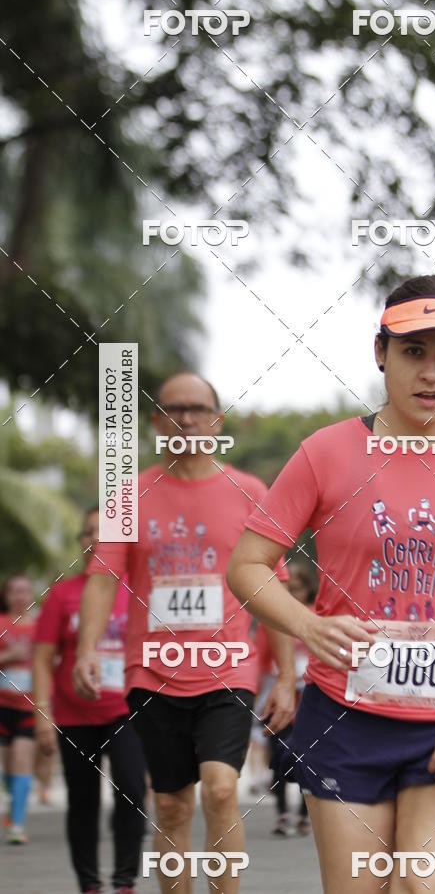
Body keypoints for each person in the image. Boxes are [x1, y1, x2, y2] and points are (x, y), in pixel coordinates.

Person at [227, 275, 435, 893]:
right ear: (381, 353)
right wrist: (309, 626)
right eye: (414, 352)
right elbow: (245, 565)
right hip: (345, 717)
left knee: (423, 887)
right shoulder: (328, 453)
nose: (432, 374)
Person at [73, 373, 296, 894]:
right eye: (174, 409)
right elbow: (102, 581)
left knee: (221, 790)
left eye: (198, 409)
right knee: (172, 804)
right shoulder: (129, 495)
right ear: (156, 422)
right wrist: (86, 649)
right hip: (152, 671)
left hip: (230, 668)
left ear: (218, 420)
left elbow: (272, 589)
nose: (187, 418)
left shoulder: (250, 492)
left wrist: (286, 674)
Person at [34, 506, 146, 894]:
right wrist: (43, 715)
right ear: (80, 542)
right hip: (74, 715)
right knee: (83, 802)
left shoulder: (135, 589)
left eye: (103, 532)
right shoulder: (62, 595)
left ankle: (124, 881)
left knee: (132, 791)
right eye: (87, 533)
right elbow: (43, 659)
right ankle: (89, 884)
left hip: (127, 711)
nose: (95, 539)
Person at [263, 561, 317, 836]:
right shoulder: (274, 618)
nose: (294, 595)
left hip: (309, 696)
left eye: (298, 589)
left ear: (309, 589)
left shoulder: (317, 615)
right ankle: (282, 812)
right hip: (280, 692)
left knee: (309, 759)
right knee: (278, 756)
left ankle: (305, 815)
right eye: (289, 590)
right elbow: (262, 654)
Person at [0, 574, 36, 844]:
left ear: (32, 594)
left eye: (24, 591)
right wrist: (9, 657)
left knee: (22, 763)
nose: (19, 596)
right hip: (2, 705)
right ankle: (13, 803)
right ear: (7, 595)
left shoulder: (40, 627)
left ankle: (17, 824)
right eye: (14, 591)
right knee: (6, 770)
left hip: (29, 707)